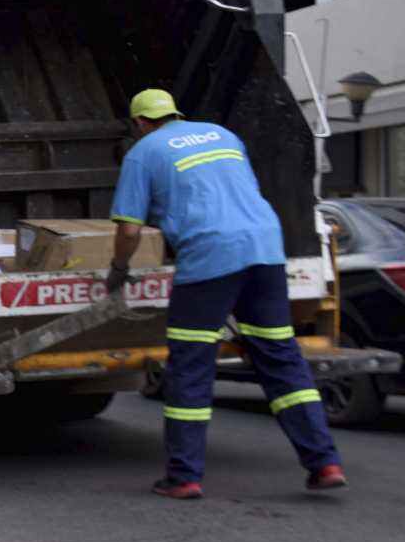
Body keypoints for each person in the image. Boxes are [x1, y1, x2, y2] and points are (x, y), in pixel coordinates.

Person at [108, 89, 347, 499]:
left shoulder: (143, 153)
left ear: (139, 123)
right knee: (281, 357)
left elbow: (129, 229)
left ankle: (184, 476)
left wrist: (118, 270)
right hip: (264, 249)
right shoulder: (223, 135)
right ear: (177, 114)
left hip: (209, 257)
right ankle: (324, 462)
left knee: (191, 364)